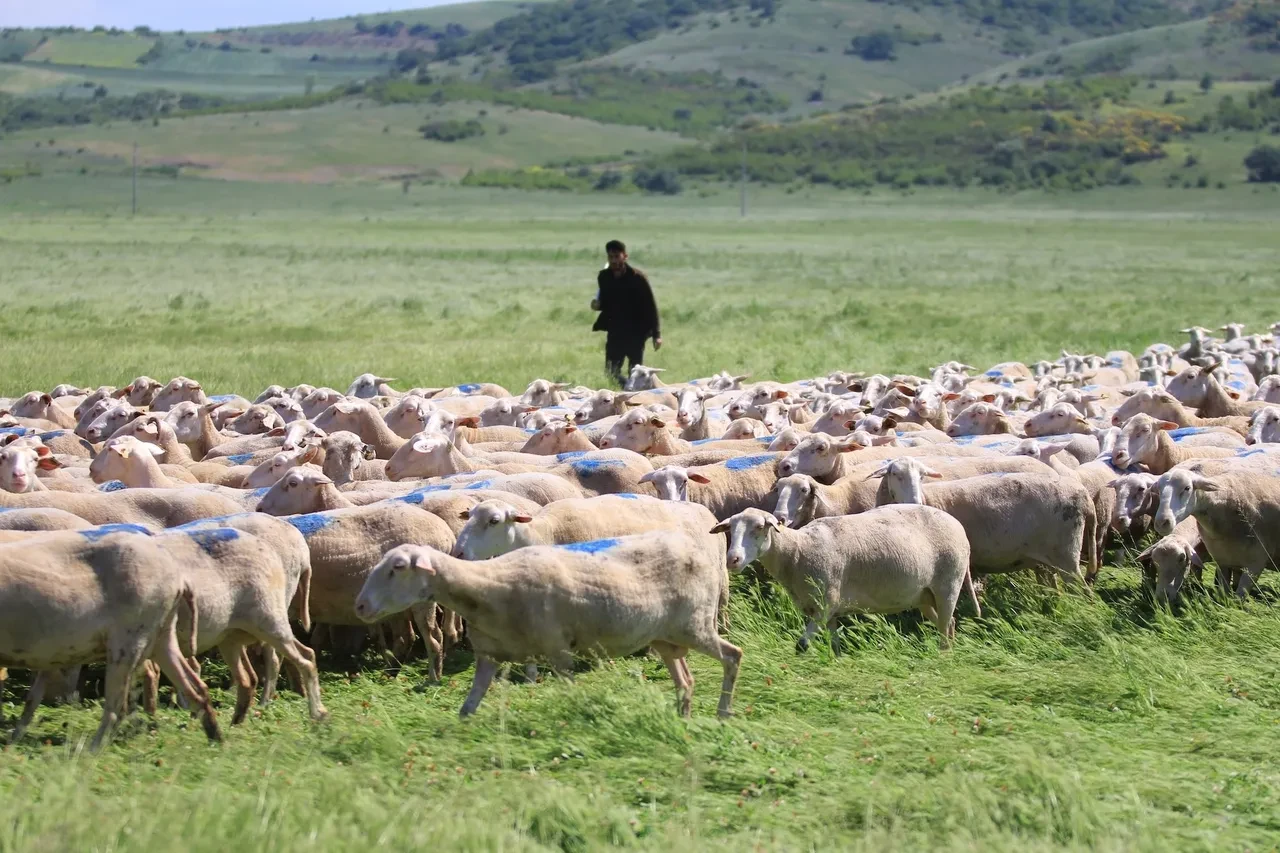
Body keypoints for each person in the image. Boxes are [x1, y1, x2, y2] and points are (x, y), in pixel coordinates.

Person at [591, 239, 662, 388]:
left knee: (634, 372)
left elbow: (651, 306)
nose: (614, 260)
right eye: (611, 257)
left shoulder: (638, 278)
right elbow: (605, 302)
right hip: (615, 332)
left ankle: (634, 397)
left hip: (636, 333)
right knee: (611, 373)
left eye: (617, 256)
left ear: (625, 256)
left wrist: (657, 334)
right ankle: (625, 390)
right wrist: (597, 305)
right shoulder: (604, 277)